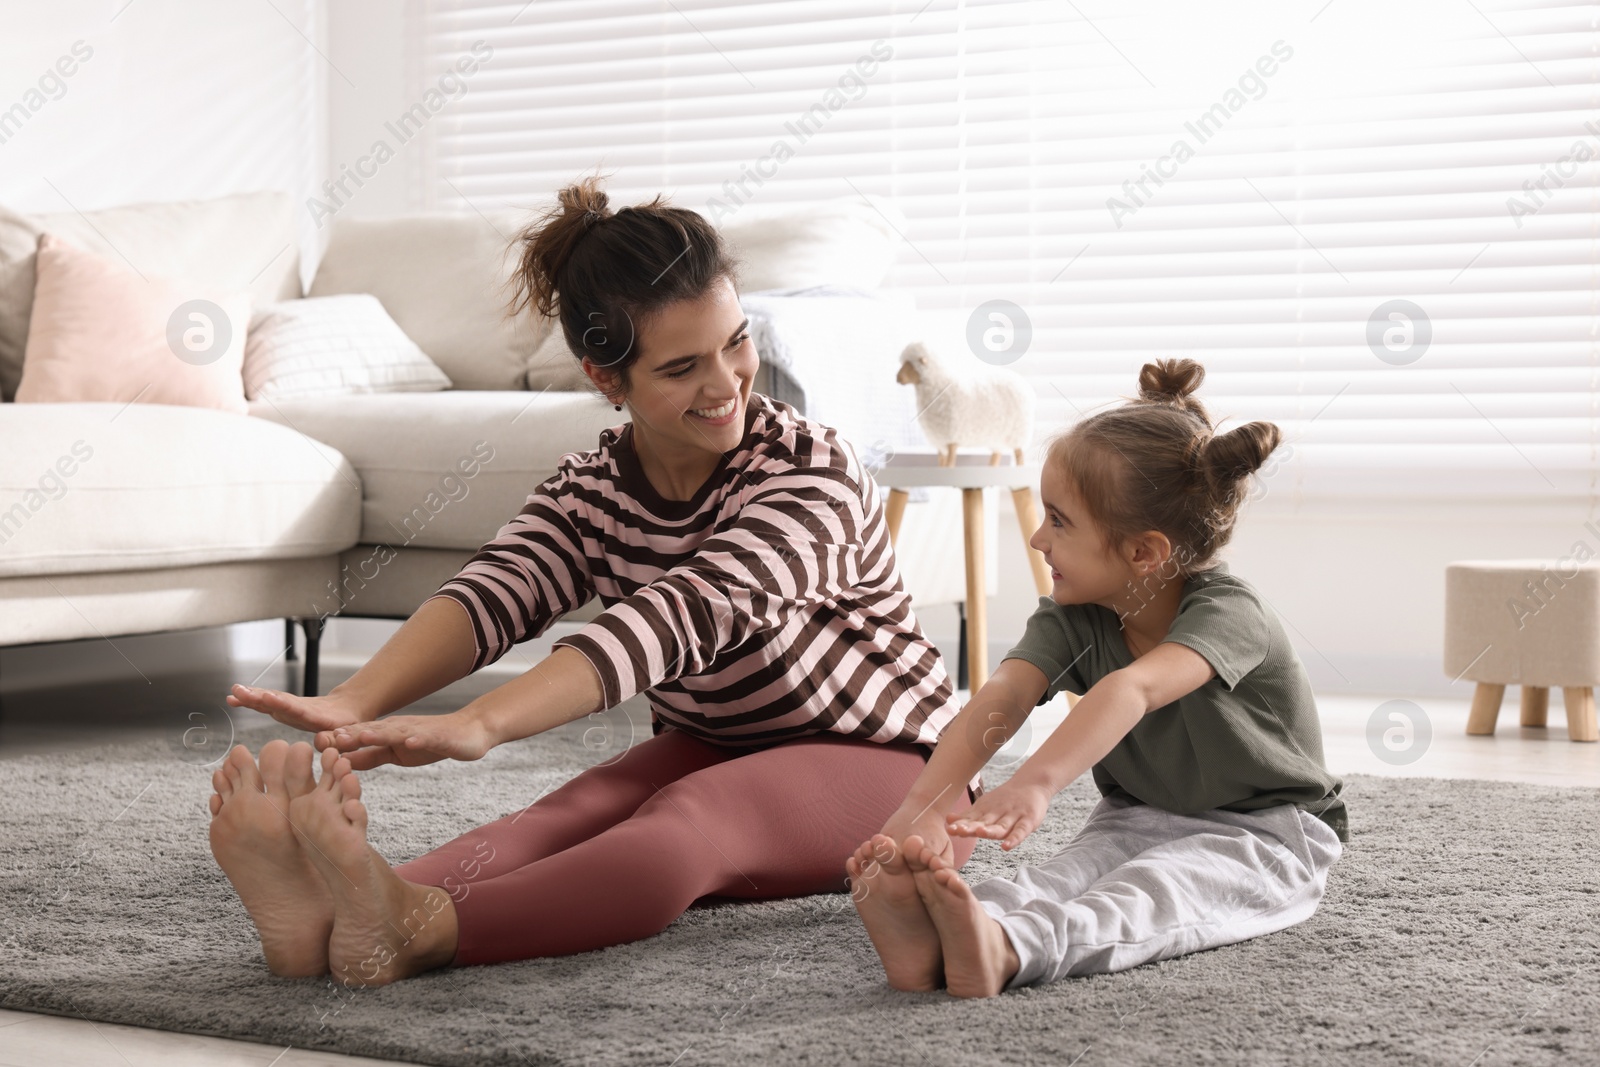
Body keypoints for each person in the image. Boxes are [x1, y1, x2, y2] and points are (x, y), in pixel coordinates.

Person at [208, 175, 982, 986]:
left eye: (736, 341)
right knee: (564, 816)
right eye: (682, 366)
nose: (726, 384)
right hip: (721, 743)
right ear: (607, 380)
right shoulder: (592, 487)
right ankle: (333, 920)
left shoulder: (809, 470)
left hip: (898, 764)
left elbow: (681, 614)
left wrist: (483, 722)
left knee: (690, 820)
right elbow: (494, 592)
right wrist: (356, 700)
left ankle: (418, 929)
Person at [846, 357, 1348, 997]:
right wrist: (923, 808)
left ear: (1143, 552)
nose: (1036, 538)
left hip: (1269, 830)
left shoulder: (1231, 614)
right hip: (1138, 812)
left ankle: (1006, 951)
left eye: (1058, 520)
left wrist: (1035, 784)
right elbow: (1005, 696)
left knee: (1154, 895)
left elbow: (1130, 690)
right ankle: (934, 936)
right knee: (1055, 879)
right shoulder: (1075, 617)